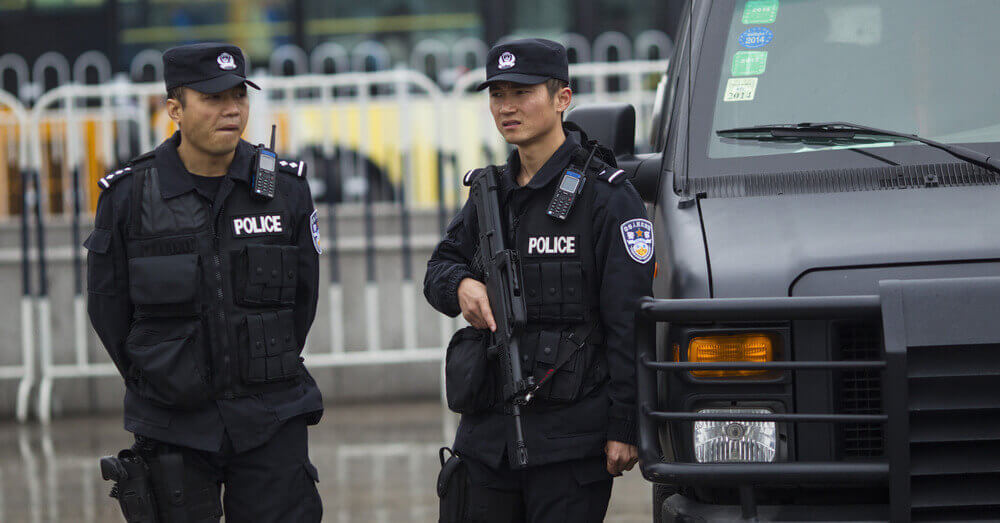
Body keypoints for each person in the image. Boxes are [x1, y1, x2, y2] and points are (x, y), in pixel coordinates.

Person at [85, 43, 323, 522]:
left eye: (239, 95)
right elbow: (108, 309)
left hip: (271, 417)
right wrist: (162, 375)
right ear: (174, 108)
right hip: (174, 423)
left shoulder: (283, 188)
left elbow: (303, 298)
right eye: (213, 98)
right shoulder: (130, 196)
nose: (231, 109)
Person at [425, 38, 654, 522]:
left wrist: (625, 423)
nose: (507, 107)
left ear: (561, 98)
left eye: (522, 92)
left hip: (570, 441)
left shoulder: (607, 197)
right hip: (488, 439)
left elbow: (630, 319)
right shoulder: (490, 194)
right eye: (497, 94)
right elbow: (439, 267)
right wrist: (462, 286)